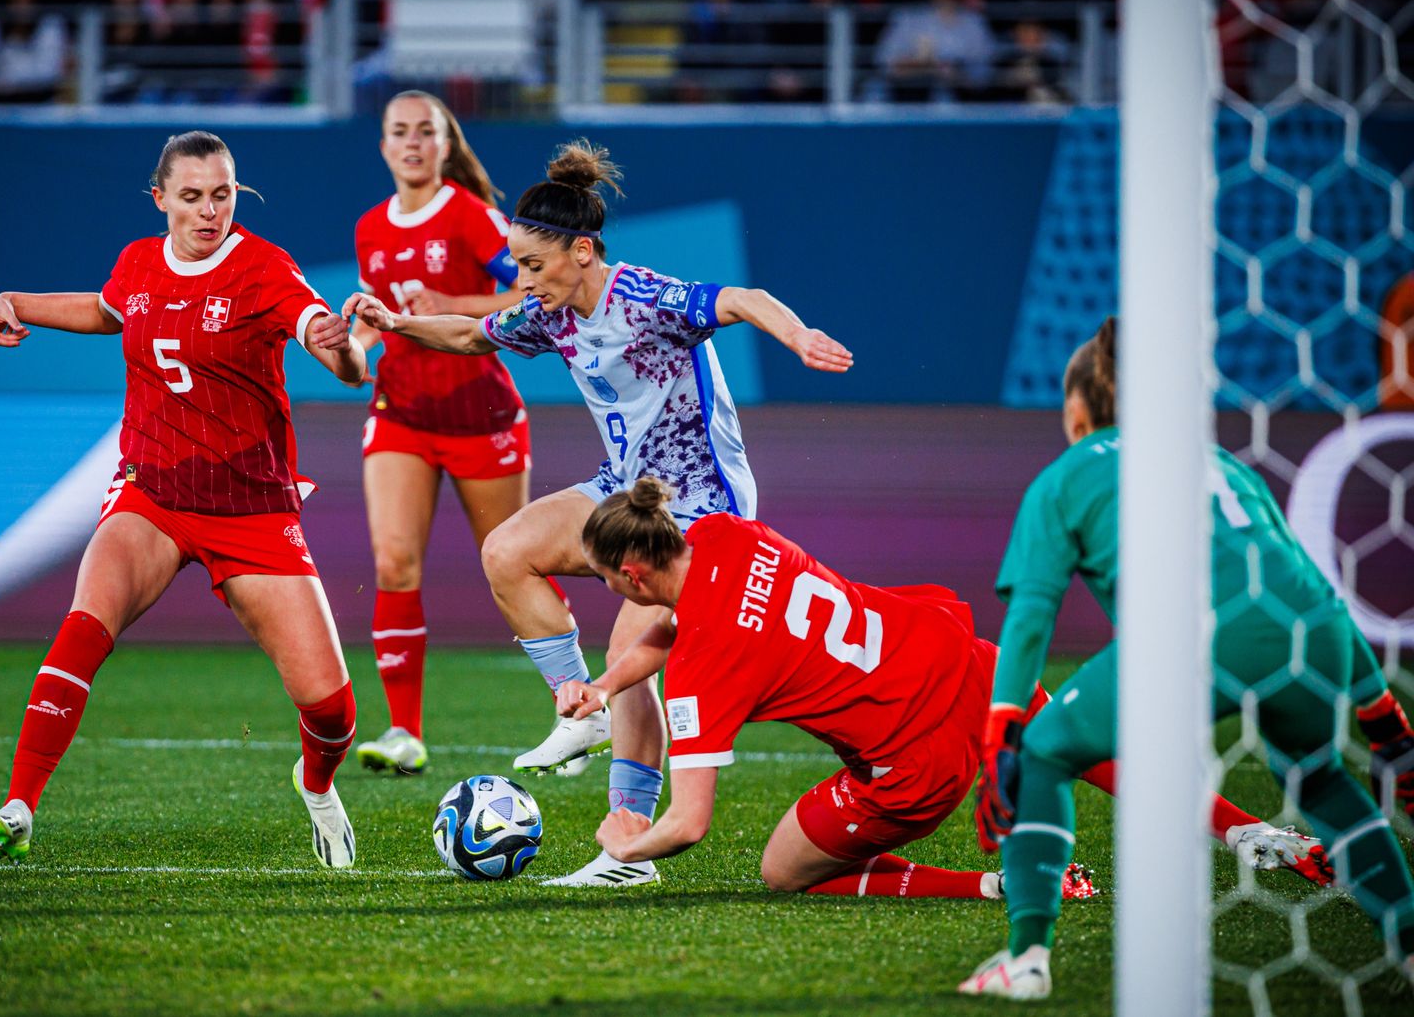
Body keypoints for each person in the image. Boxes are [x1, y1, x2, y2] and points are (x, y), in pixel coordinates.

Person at [333, 139, 854, 886]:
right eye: (516, 264)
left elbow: (740, 300)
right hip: (623, 489)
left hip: (699, 512)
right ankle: (581, 713)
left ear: (582, 251)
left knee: (632, 653)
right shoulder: (549, 314)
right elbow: (474, 333)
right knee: (506, 552)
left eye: (533, 265)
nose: (521, 279)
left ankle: (627, 853)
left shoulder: (642, 296)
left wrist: (797, 335)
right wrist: (394, 323)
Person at [960, 317, 1414, 1000]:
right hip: (1312, 631)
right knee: (1319, 780)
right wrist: (1386, 722)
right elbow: (1306, 586)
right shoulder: (1220, 463)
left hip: (1196, 633)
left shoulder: (1065, 477)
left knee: (1048, 753)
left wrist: (1002, 735)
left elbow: (1030, 616)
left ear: (1079, 409)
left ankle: (1026, 960)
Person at [0, 131, 369, 871]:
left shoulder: (263, 266)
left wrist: (342, 345)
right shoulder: (139, 262)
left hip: (251, 510)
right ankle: (19, 806)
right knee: (85, 626)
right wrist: (16, 300)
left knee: (332, 710)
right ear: (161, 200)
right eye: (192, 197)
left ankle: (316, 783)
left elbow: (328, 343)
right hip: (151, 493)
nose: (209, 210)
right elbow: (108, 309)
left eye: (222, 194)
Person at [553, 478, 1099, 903]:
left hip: (917, 758)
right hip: (971, 664)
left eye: (605, 578)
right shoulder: (726, 532)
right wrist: (603, 687)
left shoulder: (701, 671)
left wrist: (627, 846)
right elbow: (680, 623)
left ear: (632, 574)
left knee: (783, 871)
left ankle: (995, 887)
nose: (609, 588)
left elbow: (688, 825)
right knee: (1091, 752)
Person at [349, 90, 535, 777]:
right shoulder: (371, 226)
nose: (412, 144)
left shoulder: (472, 217)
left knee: (514, 567)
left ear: (446, 144)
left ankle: (578, 712)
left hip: (479, 415)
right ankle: (404, 733)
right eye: (399, 132)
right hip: (402, 413)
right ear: (384, 146)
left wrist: (453, 305)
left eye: (425, 132)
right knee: (394, 563)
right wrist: (355, 343)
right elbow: (386, 319)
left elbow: (532, 293)